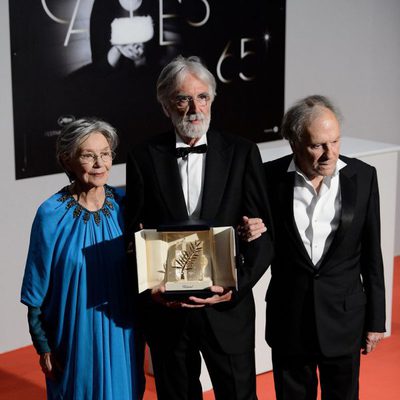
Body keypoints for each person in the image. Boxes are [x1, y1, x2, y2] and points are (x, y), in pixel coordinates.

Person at [125, 55, 274, 400]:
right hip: (168, 314)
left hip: (227, 312)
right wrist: (152, 288)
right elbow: (135, 233)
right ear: (165, 105)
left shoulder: (242, 153)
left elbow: (265, 238)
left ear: (212, 100)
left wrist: (236, 288)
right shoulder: (143, 157)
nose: (195, 107)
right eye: (183, 98)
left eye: (202, 97)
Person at [243, 95, 386, 399]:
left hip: (344, 319)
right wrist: (247, 232)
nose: (329, 154)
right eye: (317, 145)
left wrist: (376, 321)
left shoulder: (362, 176)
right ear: (294, 142)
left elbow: (372, 255)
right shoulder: (268, 179)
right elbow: (254, 237)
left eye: (335, 142)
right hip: (290, 320)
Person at [21, 118, 140, 399]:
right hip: (73, 337)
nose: (100, 163)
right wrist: (43, 345)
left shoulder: (126, 206)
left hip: (122, 331)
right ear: (67, 160)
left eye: (106, 153)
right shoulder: (50, 215)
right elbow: (36, 291)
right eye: (88, 155)